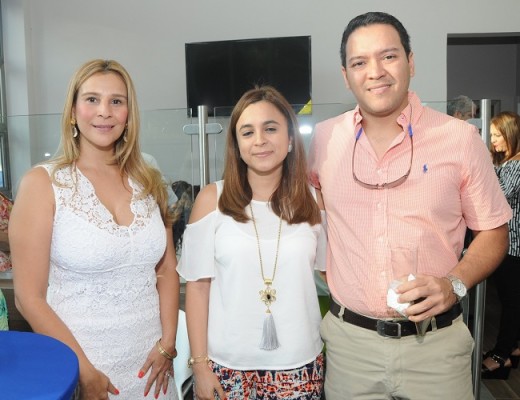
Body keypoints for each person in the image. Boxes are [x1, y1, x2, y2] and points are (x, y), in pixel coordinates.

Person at [308, 12, 512, 400]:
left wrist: (454, 283)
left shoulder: (459, 140)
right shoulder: (324, 139)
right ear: (346, 74)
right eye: (359, 62)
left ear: (411, 62)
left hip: (434, 348)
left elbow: (494, 230)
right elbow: (305, 209)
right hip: (351, 349)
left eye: (389, 56)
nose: (375, 72)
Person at [9, 59, 180, 399]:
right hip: (80, 368)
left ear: (128, 113)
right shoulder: (43, 184)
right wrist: (83, 372)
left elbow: (166, 270)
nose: (104, 111)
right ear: (73, 112)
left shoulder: (150, 182)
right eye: (91, 99)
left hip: (152, 371)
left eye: (116, 101)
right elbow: (28, 298)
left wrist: (168, 345)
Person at [178, 86, 326, 400]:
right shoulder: (211, 200)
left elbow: (331, 276)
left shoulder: (314, 203)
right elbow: (198, 287)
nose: (259, 140)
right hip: (225, 368)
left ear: (289, 140)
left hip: (299, 366)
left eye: (270, 128)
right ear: (237, 145)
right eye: (247, 132)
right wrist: (200, 366)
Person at [482, 111, 520, 379]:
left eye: (497, 135)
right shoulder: (507, 163)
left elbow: (501, 196)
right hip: (509, 244)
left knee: (511, 302)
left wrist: (485, 166)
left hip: (514, 246)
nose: (493, 140)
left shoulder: (517, 165)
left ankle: (501, 355)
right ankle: (513, 348)